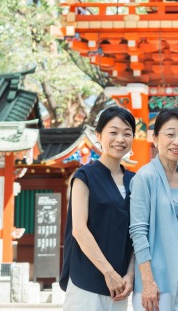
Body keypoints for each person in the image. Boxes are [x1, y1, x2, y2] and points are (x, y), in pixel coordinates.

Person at [60, 107, 136, 310]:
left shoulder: (135, 181)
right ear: (98, 135)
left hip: (120, 287)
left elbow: (138, 234)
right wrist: (108, 272)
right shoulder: (84, 176)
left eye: (127, 133)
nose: (120, 139)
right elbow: (79, 229)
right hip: (87, 281)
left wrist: (130, 274)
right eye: (113, 132)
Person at [130, 108, 178, 311]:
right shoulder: (144, 177)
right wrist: (148, 281)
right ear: (155, 138)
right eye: (170, 134)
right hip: (156, 279)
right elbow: (138, 232)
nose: (177, 141)